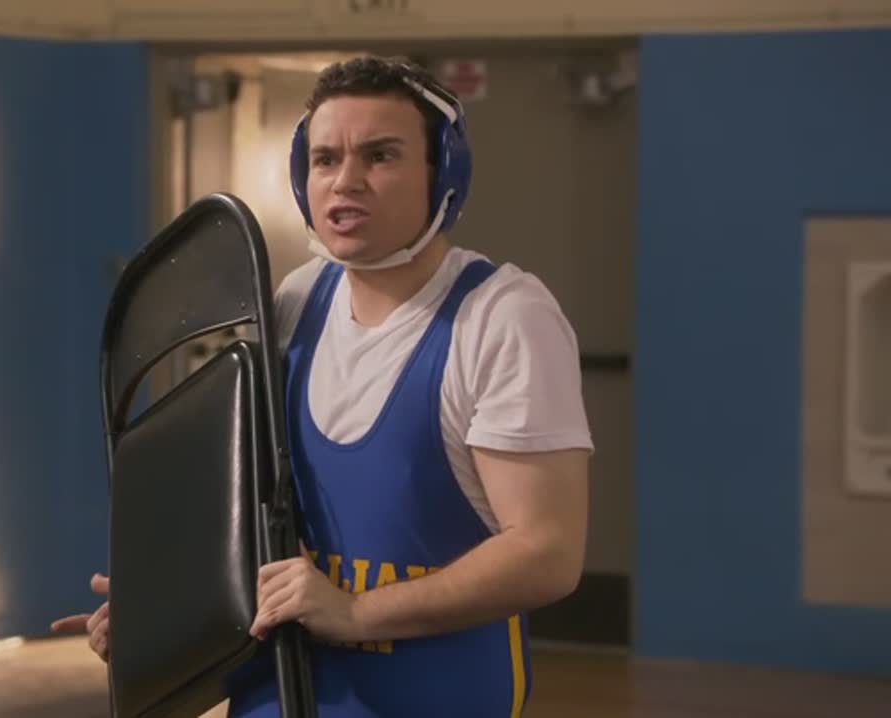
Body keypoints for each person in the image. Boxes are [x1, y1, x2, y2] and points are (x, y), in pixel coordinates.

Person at [54, 55, 592, 716]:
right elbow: (255, 513)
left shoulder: (502, 317)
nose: (347, 181)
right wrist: (161, 610)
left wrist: (356, 612)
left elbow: (546, 553)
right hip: (276, 699)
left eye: (380, 156)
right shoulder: (296, 300)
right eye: (326, 159)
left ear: (445, 173)